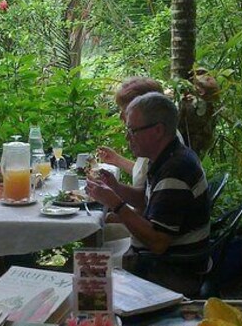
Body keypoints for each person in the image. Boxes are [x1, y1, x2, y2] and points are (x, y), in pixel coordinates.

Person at [86, 92, 210, 295]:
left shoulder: (176, 170)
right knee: (86, 258)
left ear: (158, 130)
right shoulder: (166, 156)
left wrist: (116, 204)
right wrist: (116, 187)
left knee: (84, 269)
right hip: (162, 261)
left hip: (170, 272)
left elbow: (158, 242)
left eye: (132, 131)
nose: (127, 137)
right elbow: (147, 199)